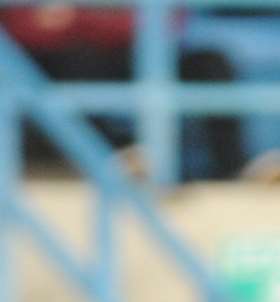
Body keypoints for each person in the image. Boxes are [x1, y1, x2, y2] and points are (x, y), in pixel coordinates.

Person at [2, 3, 250, 180]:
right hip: (64, 58)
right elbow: (24, 27)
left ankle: (233, 167)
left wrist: (80, 17)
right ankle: (108, 159)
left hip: (134, 49)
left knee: (210, 63)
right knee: (79, 64)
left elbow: (167, 20)